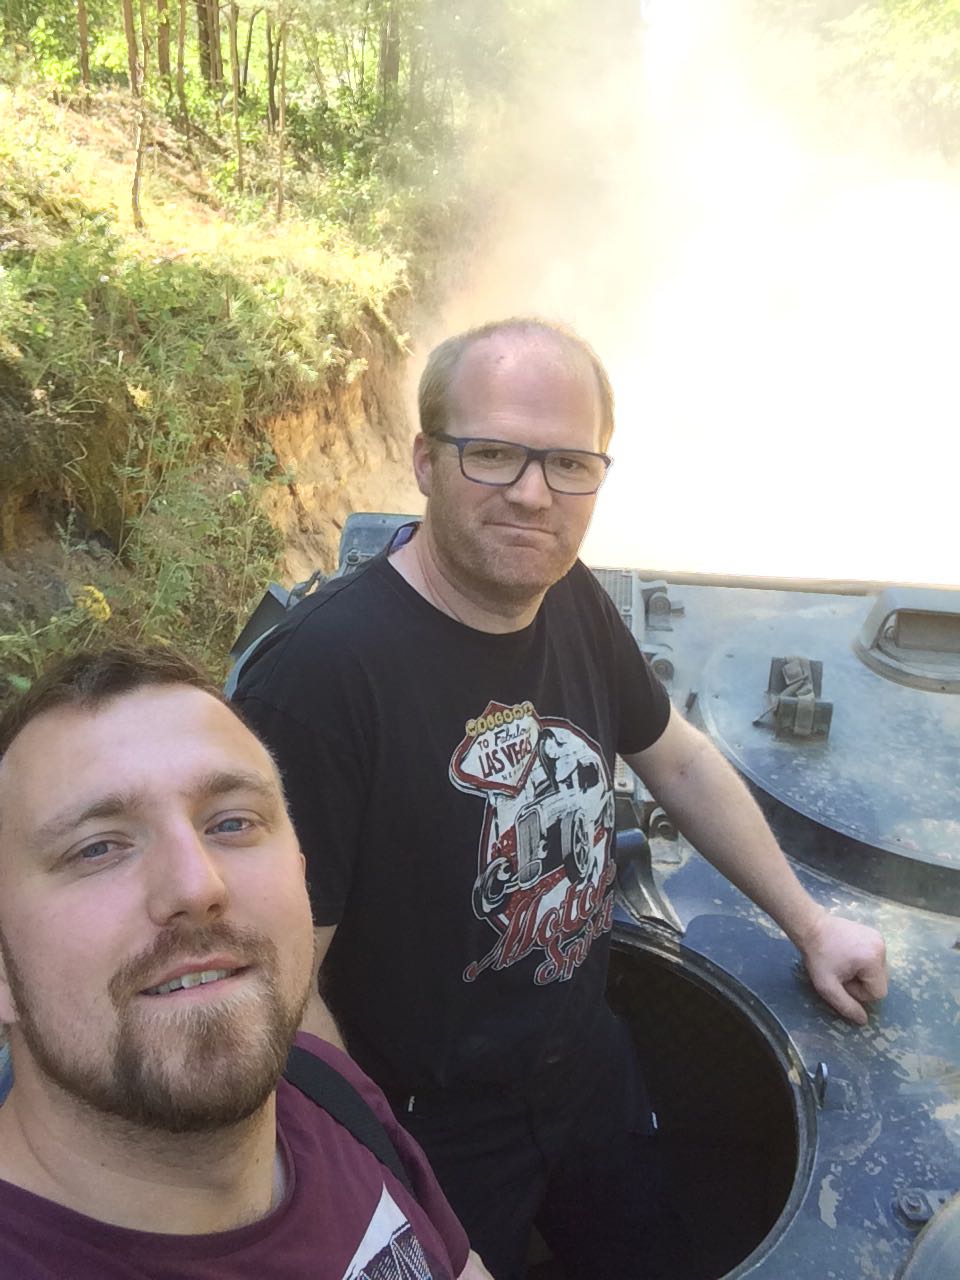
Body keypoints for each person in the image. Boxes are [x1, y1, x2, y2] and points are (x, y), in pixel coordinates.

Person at [233, 318, 888, 1278]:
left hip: (584, 1068)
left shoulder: (567, 593)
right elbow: (281, 986)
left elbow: (679, 761)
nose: (533, 494)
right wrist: (386, 1177)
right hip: (434, 1127)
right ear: (425, 461)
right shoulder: (320, 682)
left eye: (569, 463)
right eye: (493, 453)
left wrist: (812, 925)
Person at [0, 646, 491, 1280]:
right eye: (96, 848)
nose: (196, 885)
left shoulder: (325, 1087)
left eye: (232, 823)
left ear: (303, 882)